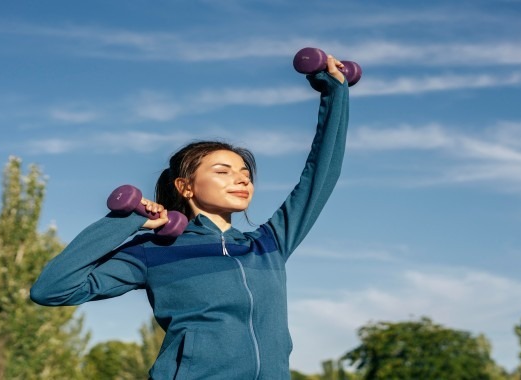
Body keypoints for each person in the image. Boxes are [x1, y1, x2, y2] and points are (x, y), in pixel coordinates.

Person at [30, 55, 350, 379]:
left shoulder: (269, 244)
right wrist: (124, 221)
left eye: (245, 173)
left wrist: (335, 94)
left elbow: (321, 176)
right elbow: (53, 289)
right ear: (185, 186)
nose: (241, 180)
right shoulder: (154, 251)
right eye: (223, 171)